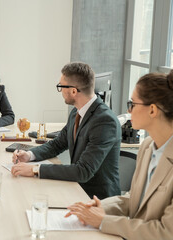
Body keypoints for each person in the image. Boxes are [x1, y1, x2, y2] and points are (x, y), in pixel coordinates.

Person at [65, 71, 173, 239]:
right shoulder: (147, 147)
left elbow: (166, 232)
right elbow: (135, 198)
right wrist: (100, 206)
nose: (128, 110)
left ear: (152, 110)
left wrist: (103, 221)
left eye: (132, 104)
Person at [11, 62, 121, 199]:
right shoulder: (76, 112)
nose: (60, 91)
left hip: (97, 200)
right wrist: (29, 155)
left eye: (61, 87)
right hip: (76, 188)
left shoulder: (105, 122)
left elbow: (83, 171)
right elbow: (58, 144)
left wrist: (35, 169)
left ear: (73, 91)